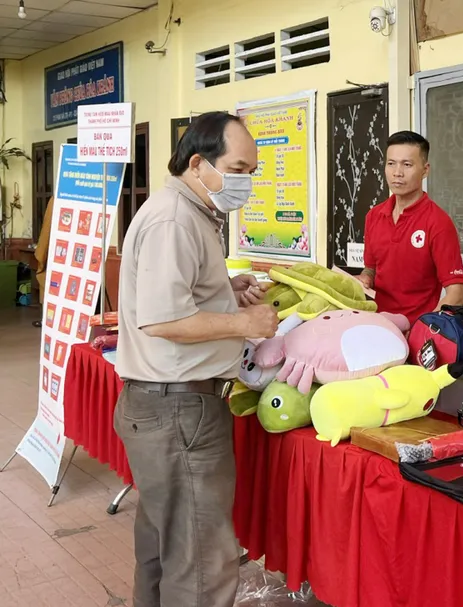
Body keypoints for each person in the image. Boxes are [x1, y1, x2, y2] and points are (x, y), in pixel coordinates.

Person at [113, 111, 279, 607]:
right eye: (239, 168)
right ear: (199, 164)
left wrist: (225, 291)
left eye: (252, 171)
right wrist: (243, 324)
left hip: (166, 408)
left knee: (166, 548)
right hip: (179, 410)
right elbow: (162, 319)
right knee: (203, 562)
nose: (246, 181)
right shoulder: (174, 218)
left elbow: (174, 296)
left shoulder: (187, 210)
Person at [359, 130, 463, 326]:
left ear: (425, 170)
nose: (397, 173)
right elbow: (371, 268)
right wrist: (365, 278)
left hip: (417, 331)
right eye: (391, 163)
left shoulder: (438, 222)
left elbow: (456, 294)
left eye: (407, 165)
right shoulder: (373, 216)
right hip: (378, 327)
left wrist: (423, 329)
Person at [32, 196, 54, 328]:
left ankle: (48, 319)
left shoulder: (56, 199)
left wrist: (40, 253)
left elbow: (47, 228)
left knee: (48, 283)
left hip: (56, 254)